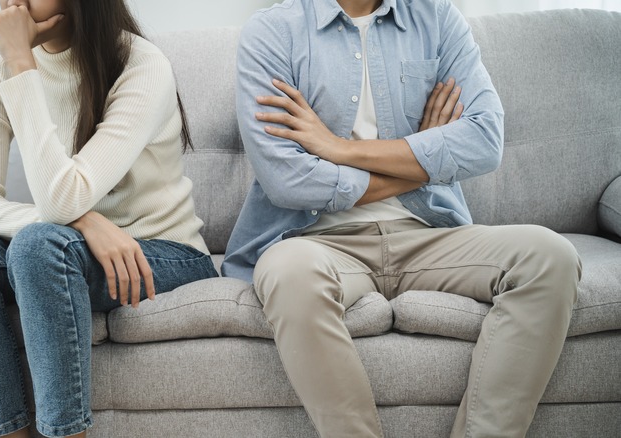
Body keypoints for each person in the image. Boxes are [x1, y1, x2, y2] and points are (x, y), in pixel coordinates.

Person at [222, 0, 582, 436]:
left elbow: (485, 141)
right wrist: (425, 153)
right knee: (286, 270)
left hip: (429, 235)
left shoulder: (437, 18)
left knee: (550, 256)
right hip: (316, 240)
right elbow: (286, 180)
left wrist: (338, 148)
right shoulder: (274, 31)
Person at [0, 1, 218, 437]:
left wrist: (22, 63)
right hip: (71, 248)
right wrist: (87, 222)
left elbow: (62, 201)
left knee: (39, 244)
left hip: (163, 252)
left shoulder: (140, 63)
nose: (14, 3)